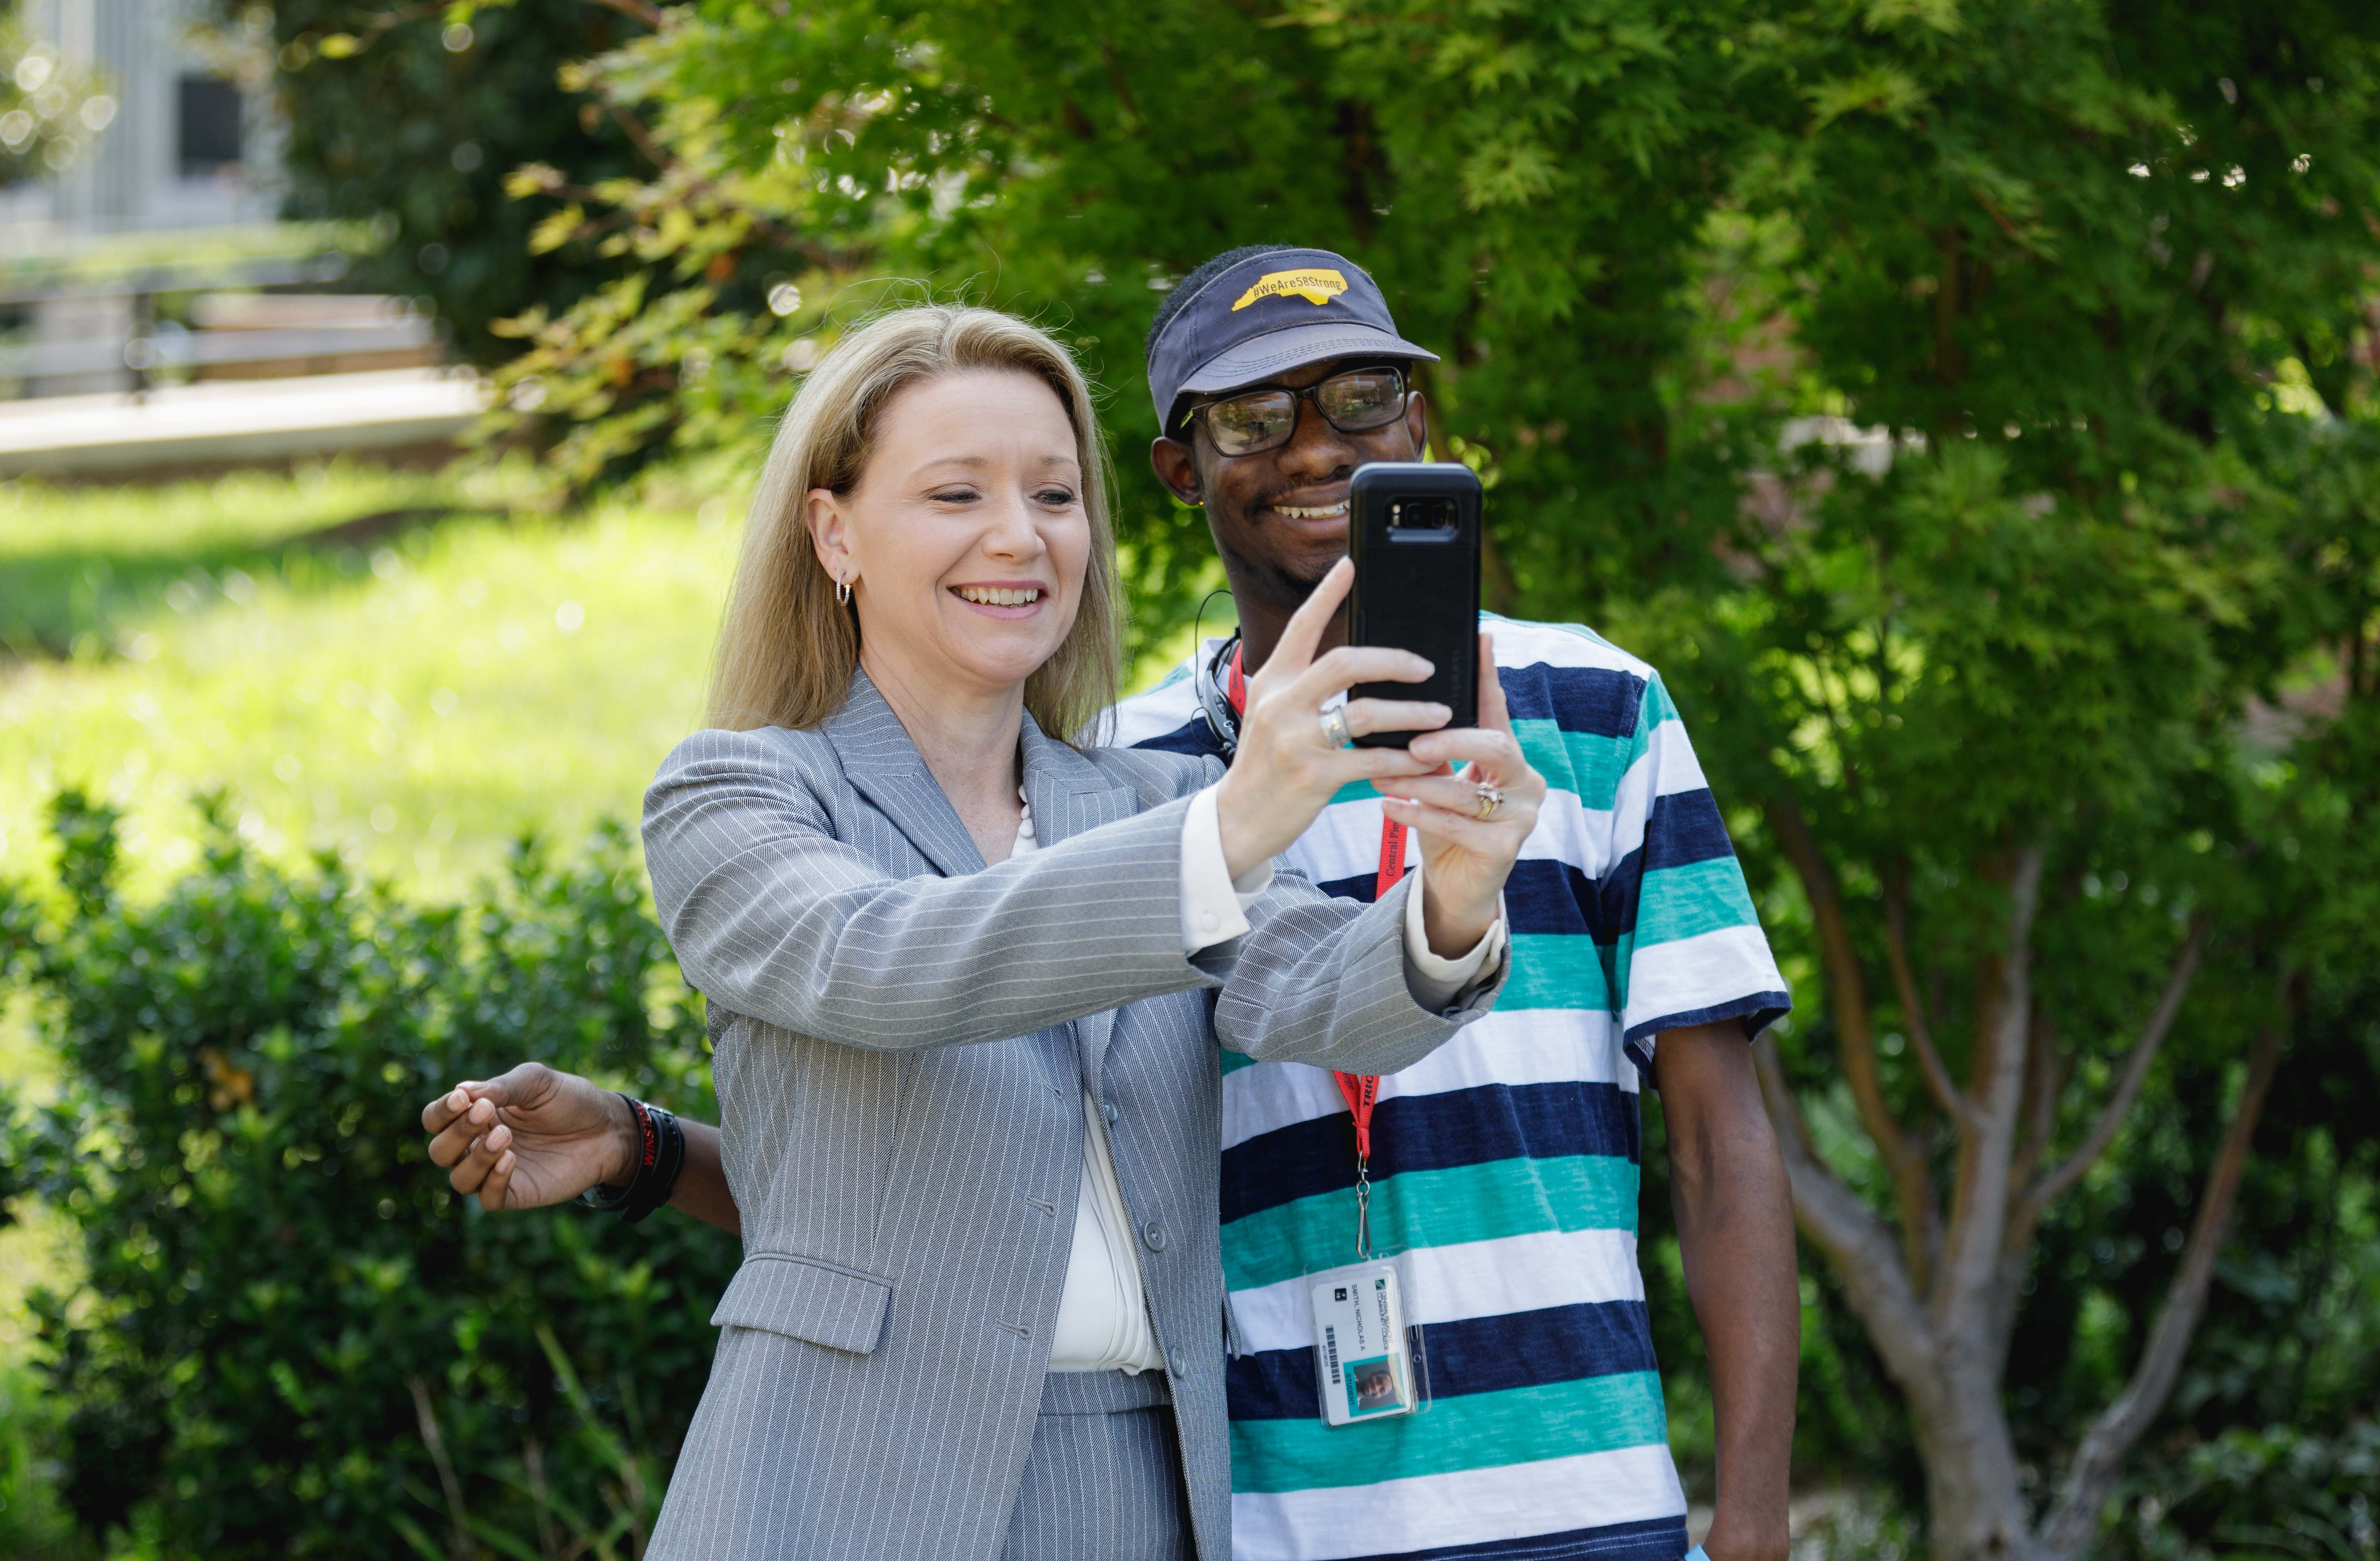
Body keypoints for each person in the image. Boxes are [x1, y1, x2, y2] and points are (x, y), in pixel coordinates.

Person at [429, 253, 1800, 1561]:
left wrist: (1457, 891)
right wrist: (1238, 820)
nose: (1018, 537)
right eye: (956, 495)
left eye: (1052, 494)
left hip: (1149, 1480)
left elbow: (1325, 996)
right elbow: (885, 963)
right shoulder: (737, 794)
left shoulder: (1135, 798)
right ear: (832, 530)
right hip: (849, 1480)